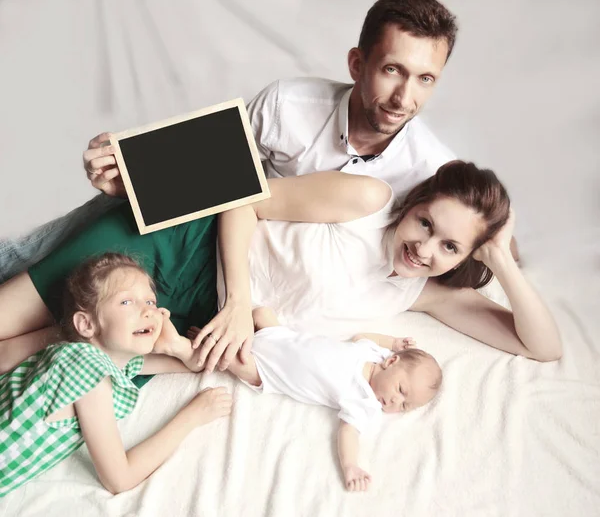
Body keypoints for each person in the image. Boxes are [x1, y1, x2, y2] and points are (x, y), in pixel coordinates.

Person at [0, 0, 466, 283]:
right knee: (119, 209)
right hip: (226, 226)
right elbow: (216, 169)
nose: (405, 97)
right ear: (356, 64)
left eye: (426, 79)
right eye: (392, 71)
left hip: (281, 273)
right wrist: (132, 175)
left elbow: (470, 237)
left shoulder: (433, 169)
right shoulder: (289, 103)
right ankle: (13, 259)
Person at [0, 161, 562, 384]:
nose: (423, 249)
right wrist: (240, 301)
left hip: (182, 317)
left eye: (450, 247)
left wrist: (503, 260)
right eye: (424, 223)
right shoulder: (367, 201)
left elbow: (542, 348)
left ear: (466, 258)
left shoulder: (422, 295)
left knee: (24, 356)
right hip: (177, 247)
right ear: (414, 202)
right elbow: (239, 198)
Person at [0, 253, 232, 497]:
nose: (148, 311)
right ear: (86, 324)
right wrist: (192, 416)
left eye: (151, 302)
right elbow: (119, 479)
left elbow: (198, 363)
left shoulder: (112, 362)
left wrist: (174, 344)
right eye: (126, 302)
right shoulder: (86, 368)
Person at [179, 307, 441, 492]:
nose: (394, 402)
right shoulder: (375, 353)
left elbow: (349, 433)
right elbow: (362, 337)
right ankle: (220, 323)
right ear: (391, 362)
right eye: (401, 391)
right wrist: (393, 342)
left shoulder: (365, 402)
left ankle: (200, 343)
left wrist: (351, 465)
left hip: (270, 371)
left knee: (233, 362)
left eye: (404, 406)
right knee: (261, 313)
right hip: (282, 336)